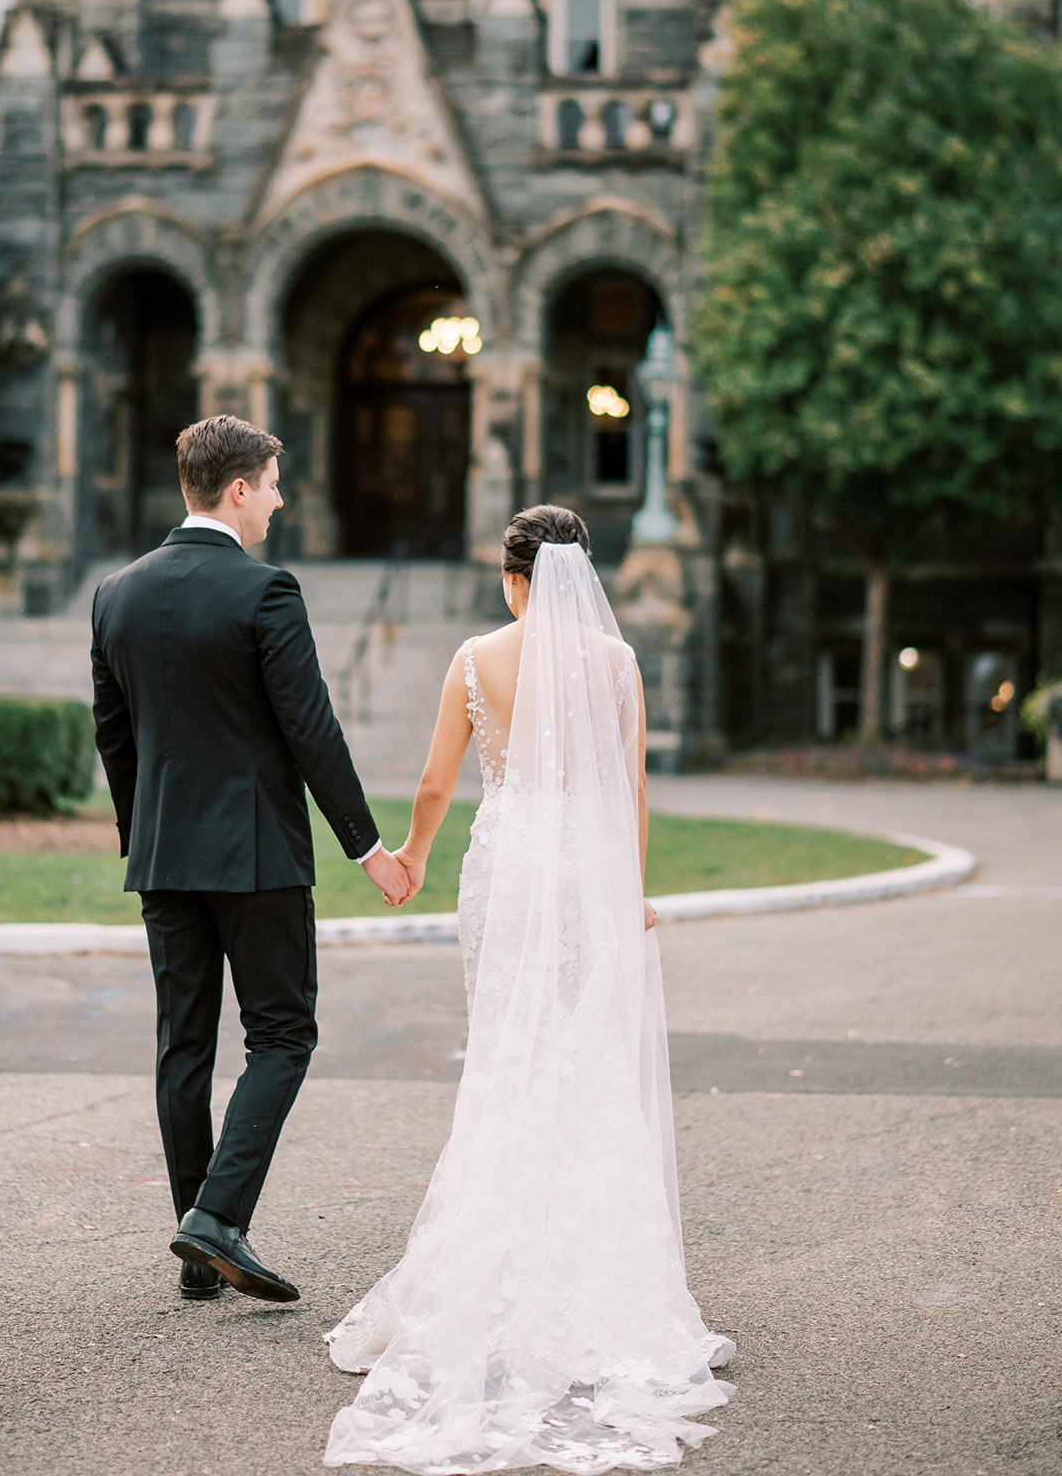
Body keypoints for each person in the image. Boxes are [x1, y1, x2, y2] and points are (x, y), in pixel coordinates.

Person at [324, 505, 736, 1473]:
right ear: (579, 574)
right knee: (583, 1055)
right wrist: (630, 890)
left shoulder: (478, 657)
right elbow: (632, 789)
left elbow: (437, 782)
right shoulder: (618, 661)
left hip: (509, 869)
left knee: (509, 1053)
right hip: (588, 871)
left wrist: (413, 854)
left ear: (515, 579)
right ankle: (596, 1277)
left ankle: (491, 1268)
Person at [91, 415, 411, 1303]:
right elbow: (312, 729)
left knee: (182, 1045)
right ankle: (216, 1218)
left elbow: (115, 738)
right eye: (272, 484)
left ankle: (200, 1253)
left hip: (163, 855)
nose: (279, 499)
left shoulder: (115, 593)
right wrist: (367, 846)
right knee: (283, 1034)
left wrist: (145, 835)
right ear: (237, 489)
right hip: (257, 855)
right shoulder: (265, 590)